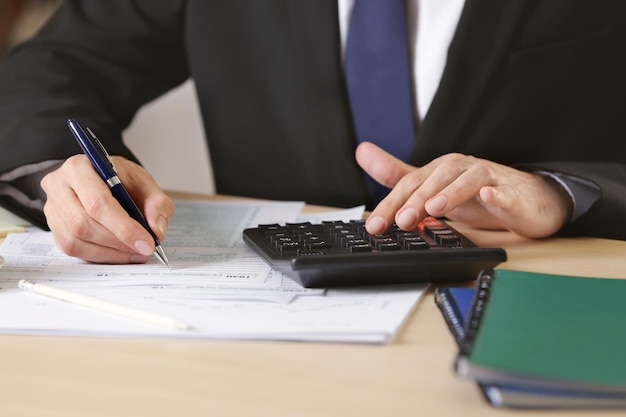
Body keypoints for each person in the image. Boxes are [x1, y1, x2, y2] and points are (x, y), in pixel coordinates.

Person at [0, 0, 625, 264]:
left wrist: (563, 191)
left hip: (538, 295)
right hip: (271, 334)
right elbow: (52, 69)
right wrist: (73, 170)